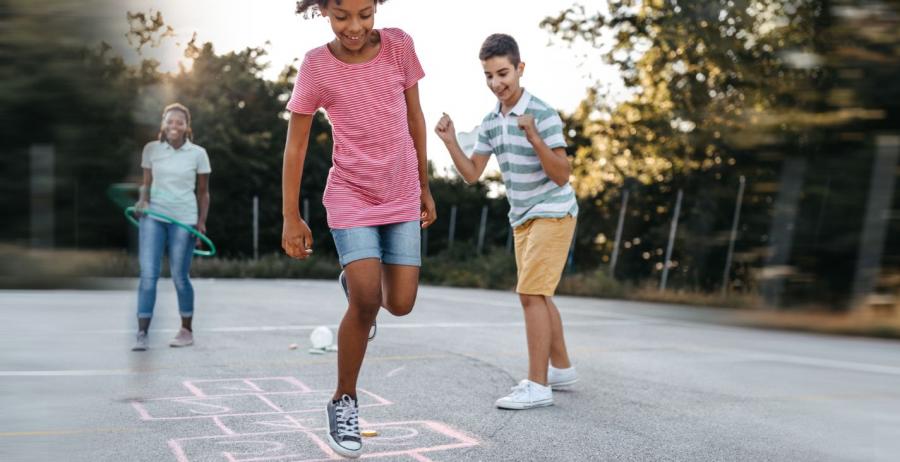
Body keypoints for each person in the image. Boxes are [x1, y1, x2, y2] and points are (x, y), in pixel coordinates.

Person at [282, 0, 436, 457]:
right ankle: (343, 400)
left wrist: (425, 186)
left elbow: (415, 119)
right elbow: (296, 145)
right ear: (325, 10)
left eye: (365, 14)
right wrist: (291, 215)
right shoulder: (316, 66)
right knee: (368, 301)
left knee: (401, 303)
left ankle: (356, 280)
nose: (355, 26)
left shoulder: (399, 46)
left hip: (401, 189)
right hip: (351, 194)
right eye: (342, 16)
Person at [435, 33, 579, 410]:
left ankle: (538, 384)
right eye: (489, 76)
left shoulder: (542, 113)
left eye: (503, 73)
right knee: (539, 293)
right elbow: (472, 173)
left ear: (520, 69)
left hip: (553, 210)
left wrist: (534, 136)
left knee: (529, 293)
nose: (497, 83)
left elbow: (562, 174)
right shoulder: (490, 122)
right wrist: (450, 142)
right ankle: (560, 368)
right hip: (522, 218)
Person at [132, 103, 211, 351]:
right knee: (148, 276)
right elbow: (146, 184)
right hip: (154, 216)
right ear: (163, 124)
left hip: (184, 219)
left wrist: (200, 223)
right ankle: (142, 333)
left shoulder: (198, 153)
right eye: (169, 121)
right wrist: (142, 200)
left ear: (187, 126)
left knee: (179, 276)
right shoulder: (151, 150)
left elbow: (203, 193)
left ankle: (186, 330)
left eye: (179, 122)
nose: (173, 126)